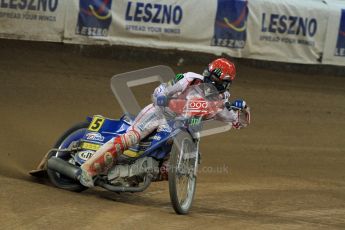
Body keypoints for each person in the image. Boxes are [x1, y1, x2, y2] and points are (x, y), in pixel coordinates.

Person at [78, 58, 250, 187]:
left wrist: (243, 108)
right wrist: (162, 96)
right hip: (160, 113)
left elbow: (239, 122)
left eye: (216, 80)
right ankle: (87, 169)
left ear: (225, 84)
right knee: (131, 138)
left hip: (183, 130)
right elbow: (161, 89)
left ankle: (128, 176)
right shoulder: (189, 79)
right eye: (210, 76)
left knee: (177, 168)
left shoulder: (222, 102)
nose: (210, 81)